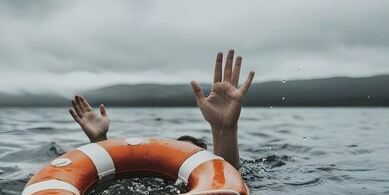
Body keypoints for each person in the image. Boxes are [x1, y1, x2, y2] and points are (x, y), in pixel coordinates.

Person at [69, 49, 255, 169]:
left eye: (191, 155)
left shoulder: (207, 173)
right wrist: (99, 140)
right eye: (178, 151)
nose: (183, 157)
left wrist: (224, 130)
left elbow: (227, 176)